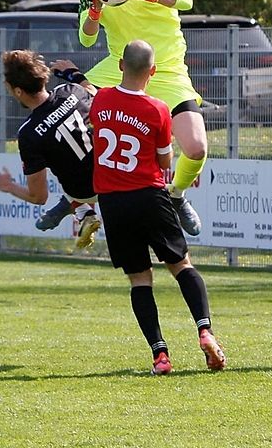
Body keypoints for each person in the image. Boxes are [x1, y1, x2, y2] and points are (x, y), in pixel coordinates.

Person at [90, 39, 225, 375]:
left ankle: (160, 355)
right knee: (181, 265)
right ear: (152, 72)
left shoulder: (101, 99)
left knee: (140, 279)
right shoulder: (158, 110)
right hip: (149, 196)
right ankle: (205, 331)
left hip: (112, 201)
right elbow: (164, 161)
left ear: (120, 65)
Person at [71, 0, 206, 237]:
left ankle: (176, 195)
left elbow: (186, 1)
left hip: (166, 69)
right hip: (120, 66)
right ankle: (78, 203)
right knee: (69, 108)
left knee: (196, 148)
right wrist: (95, 9)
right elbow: (86, 39)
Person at [0, 51, 100, 248]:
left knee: (59, 159)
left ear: (18, 91)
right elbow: (95, 93)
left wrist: (8, 185)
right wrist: (75, 73)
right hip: (113, 172)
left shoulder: (28, 133)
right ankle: (79, 210)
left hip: (84, 191)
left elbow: (39, 197)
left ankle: (83, 211)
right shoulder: (70, 90)